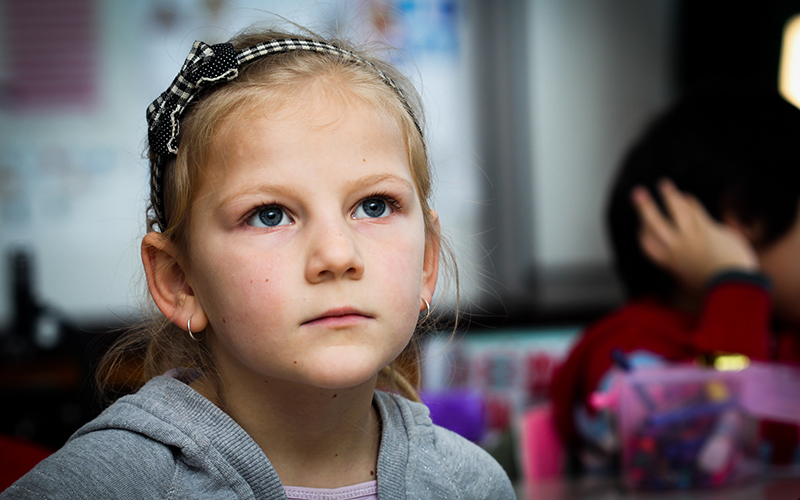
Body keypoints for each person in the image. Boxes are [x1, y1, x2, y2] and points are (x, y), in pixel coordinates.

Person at [2, 28, 515, 499]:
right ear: (180, 281)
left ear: (426, 260)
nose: (337, 256)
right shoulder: (103, 486)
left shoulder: (471, 484)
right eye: (270, 215)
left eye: (374, 206)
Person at [550, 84, 800, 470]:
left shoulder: (783, 338)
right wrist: (735, 286)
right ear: (747, 216)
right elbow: (698, 452)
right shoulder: (629, 348)